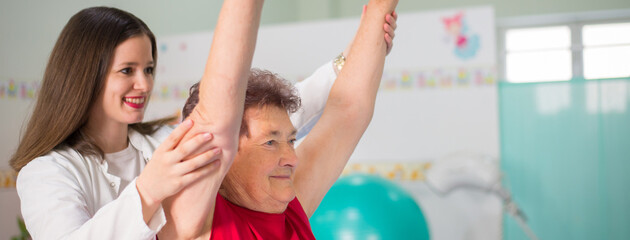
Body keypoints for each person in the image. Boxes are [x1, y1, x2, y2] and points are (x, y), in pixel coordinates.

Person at [10, 4, 397, 240]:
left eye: (148, 68)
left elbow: (290, 117)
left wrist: (361, 48)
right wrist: (147, 191)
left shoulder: (163, 141)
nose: (143, 84)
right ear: (85, 74)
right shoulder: (46, 172)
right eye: (127, 70)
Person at [160, 0, 399, 239]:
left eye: (291, 141)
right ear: (220, 153)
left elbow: (348, 111)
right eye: (270, 143)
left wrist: (378, 13)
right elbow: (220, 106)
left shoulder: (289, 207)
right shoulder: (193, 221)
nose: (292, 159)